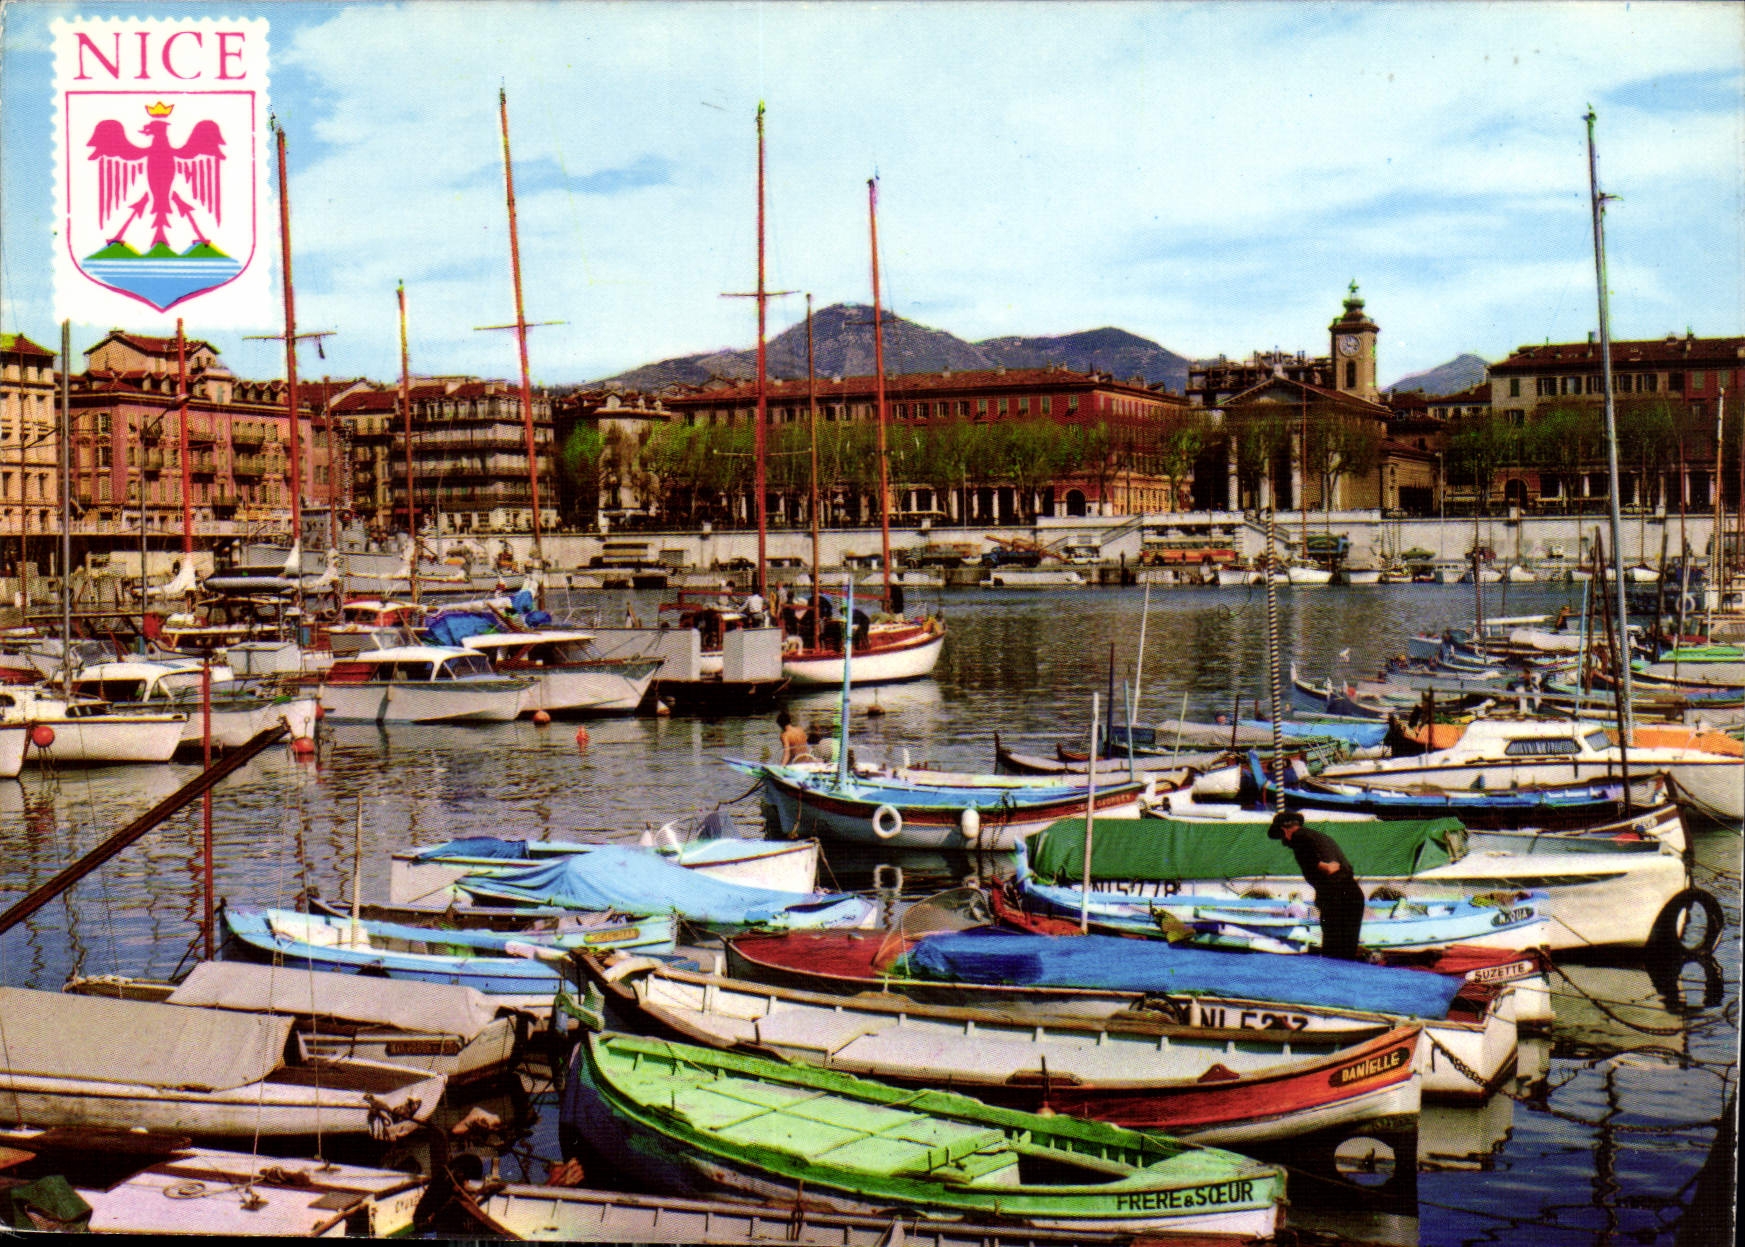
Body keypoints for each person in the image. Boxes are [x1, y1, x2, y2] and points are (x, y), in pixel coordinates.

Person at [1268, 811, 1365, 960]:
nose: (1284, 843)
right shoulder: (1317, 836)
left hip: (1337, 896)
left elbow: (1321, 865)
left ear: (1284, 830)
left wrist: (1325, 868)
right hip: (1352, 893)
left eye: (1282, 837)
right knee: (1347, 951)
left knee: (1333, 953)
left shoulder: (1298, 838)